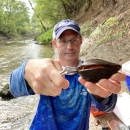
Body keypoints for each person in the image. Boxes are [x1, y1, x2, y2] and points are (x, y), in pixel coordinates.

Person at [9, 19, 126, 130]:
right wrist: (26, 70)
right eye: (63, 41)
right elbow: (13, 89)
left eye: (74, 40)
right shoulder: (45, 70)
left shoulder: (91, 73)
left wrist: (102, 96)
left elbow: (107, 107)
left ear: (81, 41)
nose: (69, 47)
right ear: (54, 43)